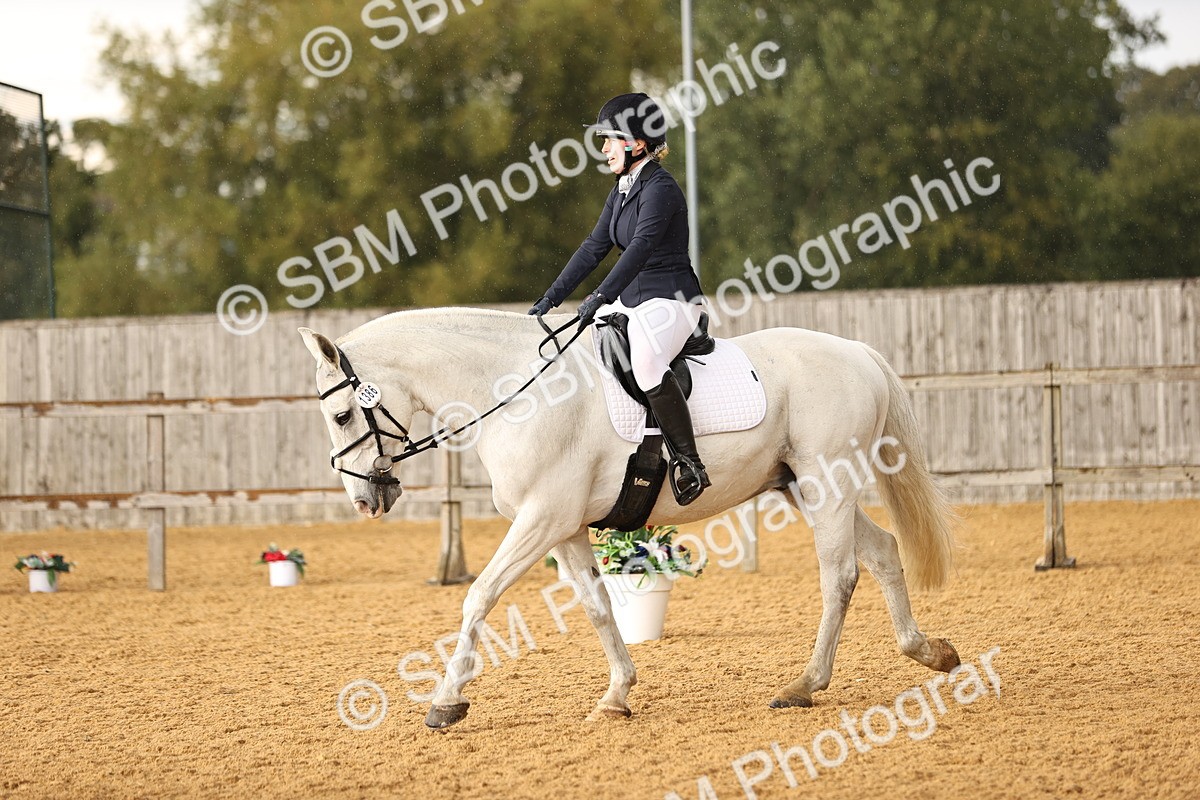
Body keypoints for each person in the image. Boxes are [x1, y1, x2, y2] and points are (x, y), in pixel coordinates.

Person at [528, 93, 711, 506]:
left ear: (638, 143)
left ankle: (689, 461)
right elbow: (594, 247)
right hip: (633, 301)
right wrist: (550, 298)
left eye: (610, 140)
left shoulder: (661, 188)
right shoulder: (623, 189)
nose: (603, 148)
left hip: (674, 300)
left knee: (646, 364)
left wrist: (599, 295)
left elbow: (640, 248)